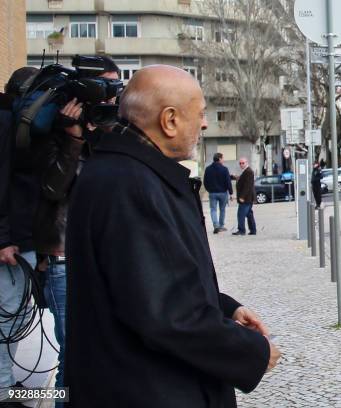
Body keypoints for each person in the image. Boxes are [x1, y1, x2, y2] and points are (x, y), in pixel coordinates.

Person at [64, 65, 279, 407]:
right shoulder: (130, 185)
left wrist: (226, 309)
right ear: (170, 120)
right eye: (201, 114)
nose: (205, 124)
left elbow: (149, 280)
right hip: (145, 389)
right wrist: (252, 352)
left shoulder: (128, 172)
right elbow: (165, 312)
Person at [33, 55, 121, 404]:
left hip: (102, 255)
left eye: (116, 87)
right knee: (73, 353)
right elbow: (53, 189)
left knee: (101, 350)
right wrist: (72, 138)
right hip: (62, 258)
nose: (112, 96)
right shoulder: (55, 129)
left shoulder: (108, 128)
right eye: (106, 86)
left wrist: (101, 132)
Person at [0, 67, 39, 408]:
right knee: (8, 316)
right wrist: (3, 238)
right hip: (11, 242)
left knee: (17, 316)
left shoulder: (19, 123)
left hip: (22, 238)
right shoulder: (4, 122)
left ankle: (6, 382)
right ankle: (2, 390)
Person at [203, 152, 233, 234]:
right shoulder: (224, 169)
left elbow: (205, 182)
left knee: (213, 210)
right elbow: (228, 182)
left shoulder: (208, 169)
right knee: (222, 210)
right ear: (219, 159)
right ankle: (221, 226)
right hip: (223, 193)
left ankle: (215, 225)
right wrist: (231, 192)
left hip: (212, 193)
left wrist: (209, 190)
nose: (224, 160)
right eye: (223, 158)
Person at [233, 158, 257, 236]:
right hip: (248, 197)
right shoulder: (246, 171)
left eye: (243, 163)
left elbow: (247, 186)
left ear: (247, 163)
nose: (241, 165)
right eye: (240, 163)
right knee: (249, 214)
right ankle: (253, 230)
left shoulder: (249, 171)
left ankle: (241, 230)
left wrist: (242, 196)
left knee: (241, 214)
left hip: (246, 198)